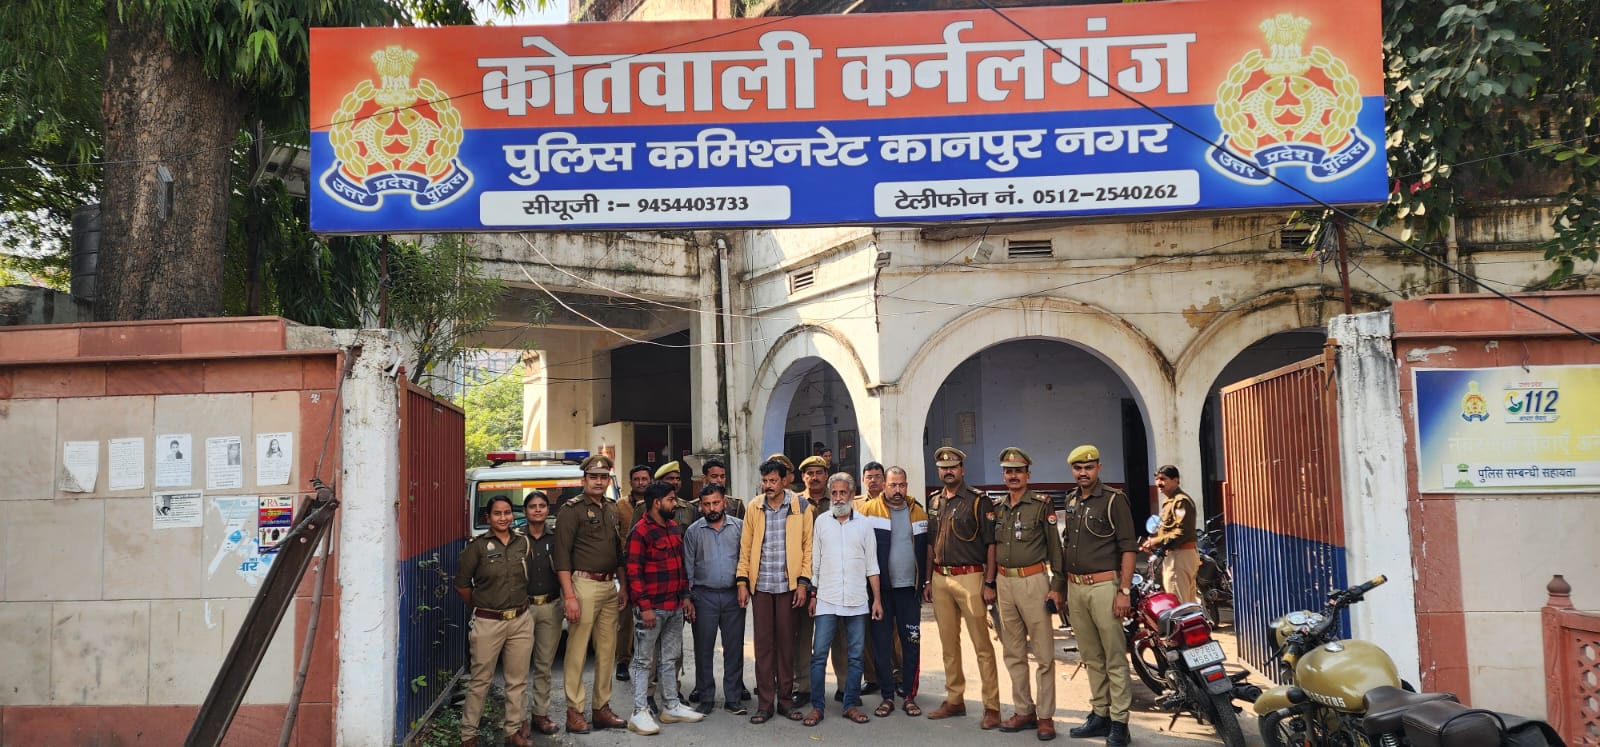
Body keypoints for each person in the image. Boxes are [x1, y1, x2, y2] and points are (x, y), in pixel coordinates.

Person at [1061, 445, 1137, 746]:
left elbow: (1128, 547)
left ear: (1099, 468)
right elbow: (1067, 543)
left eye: (1088, 467)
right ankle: (1100, 713)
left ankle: (1120, 722)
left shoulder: (1114, 500)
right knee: (1091, 656)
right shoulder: (1071, 500)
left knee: (1114, 657)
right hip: (1076, 587)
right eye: (1078, 468)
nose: (1083, 473)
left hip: (1105, 587)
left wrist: (1124, 591)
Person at [923, 446, 1002, 730]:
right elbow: (931, 543)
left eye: (953, 467)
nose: (948, 471)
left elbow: (991, 544)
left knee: (982, 645)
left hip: (971, 577)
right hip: (940, 578)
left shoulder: (979, 501)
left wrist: (989, 582)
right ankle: (954, 698)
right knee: (948, 644)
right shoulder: (935, 501)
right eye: (943, 468)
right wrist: (928, 580)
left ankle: (992, 706)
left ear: (962, 470)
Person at [991, 447, 1066, 741]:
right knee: (1013, 651)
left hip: (1034, 581)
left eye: (1018, 471)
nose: (1013, 476)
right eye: (1008, 472)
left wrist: (1057, 587)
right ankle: (1024, 710)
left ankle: (1045, 716)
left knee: (1043, 653)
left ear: (1028, 475)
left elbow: (1055, 548)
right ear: (1003, 476)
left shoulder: (1041, 505)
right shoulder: (998, 508)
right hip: (1004, 583)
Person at [554, 454, 629, 734]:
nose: (599, 482)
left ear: (609, 480)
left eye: (603, 477)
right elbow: (561, 557)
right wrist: (569, 596)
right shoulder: (571, 510)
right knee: (576, 651)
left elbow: (617, 552)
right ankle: (574, 711)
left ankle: (601, 708)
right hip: (583, 585)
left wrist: (623, 586)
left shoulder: (611, 508)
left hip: (609, 586)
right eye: (593, 477)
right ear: (583, 479)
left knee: (607, 651)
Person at [624, 480, 706, 735]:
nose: (674, 504)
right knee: (642, 661)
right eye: (671, 500)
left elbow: (680, 566)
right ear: (657, 503)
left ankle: (671, 706)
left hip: (674, 605)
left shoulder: (672, 528)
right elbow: (634, 572)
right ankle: (639, 712)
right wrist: (645, 607)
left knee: (669, 659)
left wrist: (685, 597)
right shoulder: (640, 532)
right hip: (652, 609)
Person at [736, 457, 813, 725]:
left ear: (785, 481)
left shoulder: (801, 507)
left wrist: (803, 583)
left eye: (773, 481)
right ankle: (765, 704)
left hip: (788, 586)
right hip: (761, 587)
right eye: (765, 481)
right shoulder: (754, 507)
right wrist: (742, 583)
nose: (767, 485)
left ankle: (786, 702)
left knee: (786, 645)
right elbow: (745, 548)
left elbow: (808, 548)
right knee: (763, 647)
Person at [453, 496, 534, 747]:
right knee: (480, 681)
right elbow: (462, 585)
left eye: (507, 512)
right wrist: (482, 607)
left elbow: (526, 579)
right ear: (488, 517)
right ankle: (468, 735)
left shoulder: (523, 542)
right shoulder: (476, 547)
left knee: (517, 680)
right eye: (497, 513)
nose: (503, 518)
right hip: (488, 622)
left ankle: (513, 731)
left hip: (520, 620)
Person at [802, 472, 882, 727]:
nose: (837, 498)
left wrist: (877, 600)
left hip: (857, 600)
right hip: (827, 598)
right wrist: (813, 595)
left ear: (852, 494)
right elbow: (815, 564)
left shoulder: (864, 525)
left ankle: (850, 705)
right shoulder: (821, 522)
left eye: (842, 493)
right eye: (834, 493)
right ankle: (817, 707)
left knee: (855, 656)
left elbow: (872, 565)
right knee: (819, 655)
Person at [860, 465, 927, 719]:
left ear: (906, 486)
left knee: (911, 643)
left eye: (901, 485)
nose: (897, 490)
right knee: (881, 644)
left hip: (909, 590)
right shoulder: (868, 511)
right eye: (893, 485)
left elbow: (927, 549)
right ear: (884, 486)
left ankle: (909, 695)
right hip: (881, 592)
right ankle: (887, 696)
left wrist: (926, 582)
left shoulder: (918, 512)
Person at [684, 483, 747, 715]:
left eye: (716, 503)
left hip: (733, 594)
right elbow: (688, 567)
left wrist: (744, 586)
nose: (712, 508)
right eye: (707, 504)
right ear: (700, 506)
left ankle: (733, 698)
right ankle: (706, 697)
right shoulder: (693, 532)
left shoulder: (740, 528)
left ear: (725, 503)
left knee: (734, 648)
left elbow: (745, 559)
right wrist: (688, 598)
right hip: (703, 596)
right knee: (703, 648)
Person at [520, 491, 563, 737]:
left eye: (542, 505)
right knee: (518, 667)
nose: (537, 509)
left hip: (550, 605)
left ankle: (540, 714)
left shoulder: (557, 538)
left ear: (548, 509)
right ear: (525, 511)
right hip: (522, 608)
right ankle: (518, 719)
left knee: (544, 665)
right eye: (532, 506)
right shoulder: (516, 539)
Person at [790, 454, 832, 707]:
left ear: (826, 475)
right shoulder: (795, 503)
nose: (814, 477)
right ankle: (803, 687)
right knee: (803, 636)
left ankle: (845, 686)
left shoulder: (838, 499)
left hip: (832, 577)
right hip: (803, 577)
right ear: (803, 477)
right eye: (810, 473)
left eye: (819, 473)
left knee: (838, 635)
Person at [1142, 465, 1200, 607]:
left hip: (1179, 556)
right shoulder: (1169, 501)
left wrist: (1156, 541)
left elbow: (1181, 531)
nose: (1159, 483)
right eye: (1157, 479)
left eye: (1163, 479)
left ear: (1175, 480)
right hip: (1177, 554)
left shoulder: (1180, 501)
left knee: (1178, 603)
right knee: (1188, 603)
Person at [617, 464, 652, 682]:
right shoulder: (620, 506)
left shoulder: (656, 503)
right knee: (626, 620)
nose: (641, 482)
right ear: (630, 482)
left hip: (651, 568)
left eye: (644, 478)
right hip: (628, 567)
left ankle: (649, 665)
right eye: (637, 479)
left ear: (650, 480)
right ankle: (623, 661)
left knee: (651, 618)